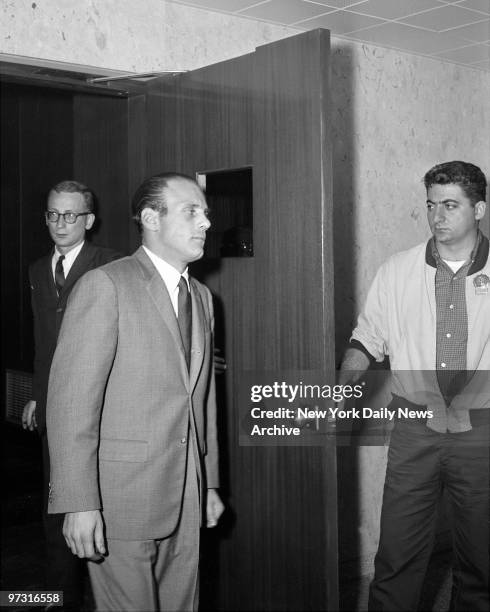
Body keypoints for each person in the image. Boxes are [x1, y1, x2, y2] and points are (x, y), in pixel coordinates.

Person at [46, 172, 225, 612]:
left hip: (185, 495)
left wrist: (210, 484)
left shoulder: (202, 298)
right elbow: (72, 405)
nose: (206, 223)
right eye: (192, 212)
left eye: (205, 213)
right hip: (119, 503)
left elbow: (202, 404)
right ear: (150, 218)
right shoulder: (105, 286)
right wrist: (79, 503)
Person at [340, 161, 489, 611]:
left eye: (450, 205)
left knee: (482, 559)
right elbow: (367, 339)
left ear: (478, 209)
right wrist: (342, 387)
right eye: (431, 205)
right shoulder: (397, 270)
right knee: (398, 554)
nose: (437, 216)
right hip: (414, 429)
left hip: (481, 431)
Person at [22, 180, 121, 610]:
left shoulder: (112, 266)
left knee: (98, 510)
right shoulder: (36, 269)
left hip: (100, 413)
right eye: (51, 214)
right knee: (53, 509)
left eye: (70, 215)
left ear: (89, 221)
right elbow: (44, 344)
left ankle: (106, 597)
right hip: (52, 412)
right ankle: (60, 598)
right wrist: (37, 396)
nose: (59, 223)